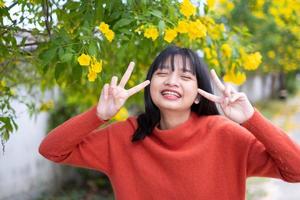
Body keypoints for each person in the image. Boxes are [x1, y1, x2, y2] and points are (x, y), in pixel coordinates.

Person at [39, 45, 300, 200]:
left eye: (185, 76)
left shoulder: (225, 135)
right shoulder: (124, 135)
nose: (171, 81)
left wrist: (251, 119)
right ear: (150, 85)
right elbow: (51, 149)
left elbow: (295, 170)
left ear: (199, 94)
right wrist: (98, 114)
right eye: (162, 73)